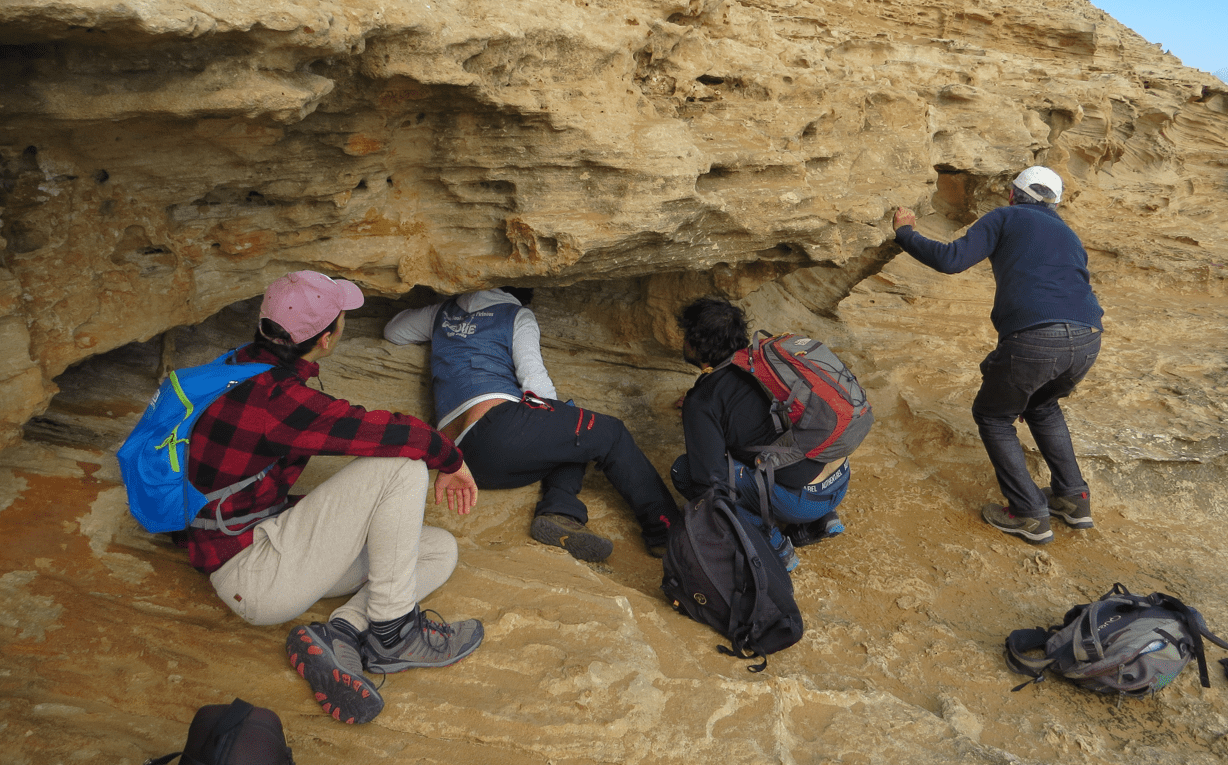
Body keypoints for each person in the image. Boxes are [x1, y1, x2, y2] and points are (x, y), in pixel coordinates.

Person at [186, 270, 483, 726]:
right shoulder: (277, 401)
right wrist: (451, 459)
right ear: (326, 339)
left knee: (439, 550)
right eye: (341, 319)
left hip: (256, 540)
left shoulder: (237, 366)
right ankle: (393, 633)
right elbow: (396, 432)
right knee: (402, 465)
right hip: (253, 572)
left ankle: (342, 632)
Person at [384, 287, 678, 562]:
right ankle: (667, 532)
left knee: (571, 436)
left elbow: (394, 331)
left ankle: (562, 515)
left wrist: (444, 315)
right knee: (606, 432)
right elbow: (535, 380)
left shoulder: (442, 313)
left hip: (461, 460)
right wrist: (557, 414)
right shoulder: (515, 314)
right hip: (499, 430)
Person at [892, 166, 1103, 544]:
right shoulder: (1069, 235)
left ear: (1012, 194)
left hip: (1037, 336)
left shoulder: (1006, 216)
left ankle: (1028, 513)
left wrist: (906, 233)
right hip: (1088, 336)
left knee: (992, 415)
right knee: (1042, 406)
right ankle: (1074, 499)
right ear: (1054, 203)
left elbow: (951, 259)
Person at [672, 297, 853, 572]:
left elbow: (710, 477)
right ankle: (820, 520)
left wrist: (698, 413)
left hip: (803, 500)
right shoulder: (766, 363)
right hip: (839, 478)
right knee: (775, 441)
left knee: (687, 472)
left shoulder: (704, 401)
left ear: (697, 345)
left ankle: (774, 544)